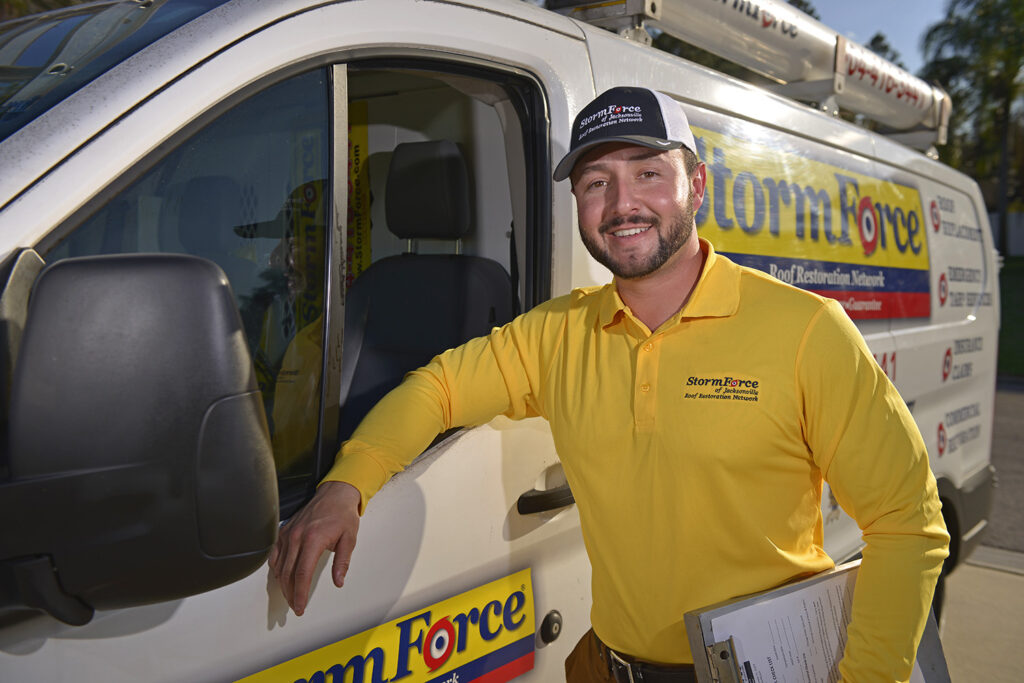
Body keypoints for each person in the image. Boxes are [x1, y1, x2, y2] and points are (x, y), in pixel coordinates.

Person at [269, 86, 949, 682]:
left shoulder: (806, 330)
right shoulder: (559, 333)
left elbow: (907, 524)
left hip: (761, 666)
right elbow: (438, 388)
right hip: (609, 666)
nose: (622, 203)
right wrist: (346, 485)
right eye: (596, 182)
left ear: (698, 185)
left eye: (649, 173)